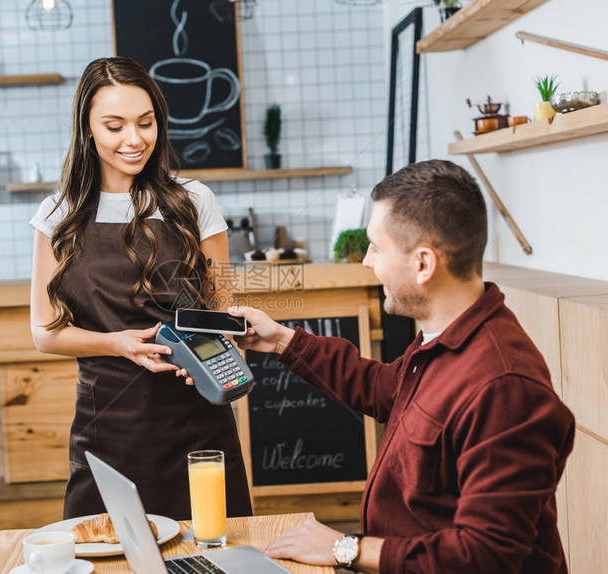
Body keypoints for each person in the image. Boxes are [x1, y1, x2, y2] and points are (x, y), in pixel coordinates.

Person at [229, 160, 575, 573]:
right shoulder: (443, 338)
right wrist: (283, 341)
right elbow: (384, 389)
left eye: (377, 247)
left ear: (423, 264)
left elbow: (486, 556)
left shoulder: (505, 388)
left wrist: (346, 549)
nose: (367, 262)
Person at [29, 57, 252, 520]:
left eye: (145, 123)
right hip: (109, 425)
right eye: (115, 126)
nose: (134, 140)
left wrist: (230, 353)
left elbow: (223, 313)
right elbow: (45, 333)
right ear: (87, 130)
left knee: (211, 553)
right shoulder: (58, 214)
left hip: (196, 418)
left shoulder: (194, 200)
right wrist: (117, 343)